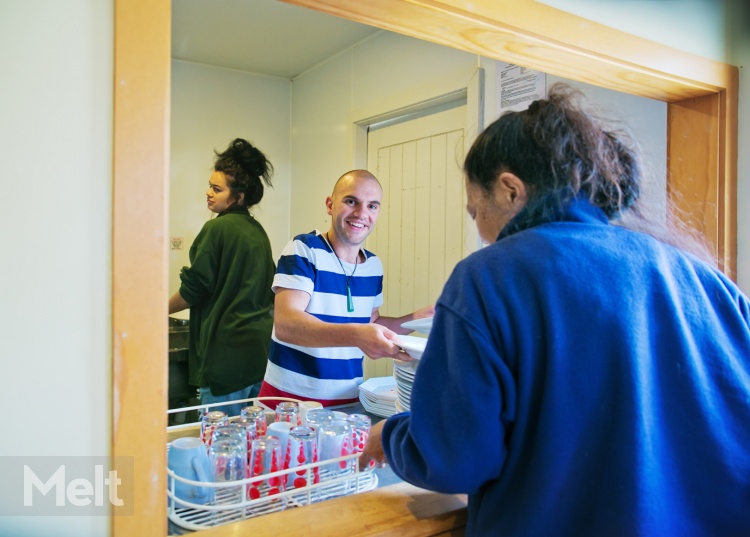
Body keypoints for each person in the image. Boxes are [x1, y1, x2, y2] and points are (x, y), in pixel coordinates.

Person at [360, 84, 750, 536]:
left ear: (509, 190)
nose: (483, 233)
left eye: (475, 213)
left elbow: (454, 459)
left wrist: (391, 435)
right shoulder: (707, 281)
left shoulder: (489, 279)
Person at [257, 169, 434, 407]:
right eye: (351, 201)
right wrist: (357, 335)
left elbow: (371, 324)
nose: (362, 213)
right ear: (330, 205)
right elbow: (287, 324)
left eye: (372, 206)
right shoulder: (304, 249)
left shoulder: (373, 265)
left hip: (347, 402)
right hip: (287, 403)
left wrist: (420, 317)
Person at [169, 138, 276, 417]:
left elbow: (194, 289)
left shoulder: (216, 230)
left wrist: (155, 310)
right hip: (259, 355)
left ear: (239, 196)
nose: (208, 193)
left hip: (225, 356)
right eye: (210, 186)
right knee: (249, 441)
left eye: (217, 189)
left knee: (221, 444)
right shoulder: (258, 232)